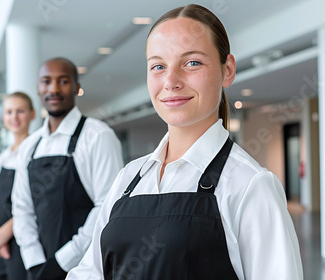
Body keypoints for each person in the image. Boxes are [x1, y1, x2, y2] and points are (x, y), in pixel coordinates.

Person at [67, 4, 303, 280]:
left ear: (227, 70)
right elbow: (90, 273)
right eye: (158, 66)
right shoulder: (129, 178)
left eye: (192, 62)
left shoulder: (250, 185)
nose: (171, 81)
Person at [11, 57, 124, 280]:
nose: (53, 89)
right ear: (38, 88)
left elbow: (108, 207)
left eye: (63, 81)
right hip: (39, 267)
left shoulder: (98, 136)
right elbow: (22, 207)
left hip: (87, 265)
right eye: (46, 81)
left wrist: (63, 261)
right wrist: (35, 262)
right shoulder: (30, 146)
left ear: (76, 88)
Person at [0, 92, 35, 280]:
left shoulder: (35, 151)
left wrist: (5, 233)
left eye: (20, 111)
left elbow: (36, 201)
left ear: (32, 114)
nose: (14, 117)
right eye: (9, 112)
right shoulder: (2, 156)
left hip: (21, 238)